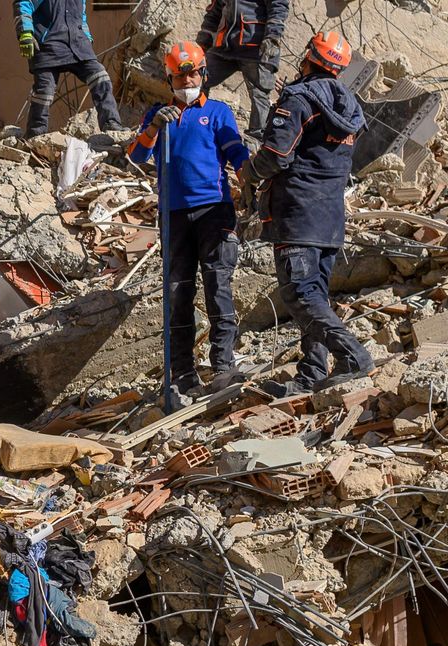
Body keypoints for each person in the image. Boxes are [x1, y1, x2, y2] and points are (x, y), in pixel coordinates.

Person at [241, 31, 374, 397]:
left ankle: (353, 356)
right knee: (314, 295)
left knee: (300, 296)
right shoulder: (351, 107)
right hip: (329, 219)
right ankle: (312, 373)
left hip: (297, 215)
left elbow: (276, 156)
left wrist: (248, 173)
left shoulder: (299, 100)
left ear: (308, 58)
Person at [129, 41, 252, 396]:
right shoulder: (158, 114)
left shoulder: (217, 112)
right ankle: (182, 371)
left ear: (204, 74)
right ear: (169, 80)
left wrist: (251, 182)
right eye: (179, 76)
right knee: (178, 292)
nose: (187, 80)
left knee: (218, 286)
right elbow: (137, 154)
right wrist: (153, 128)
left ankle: (223, 365)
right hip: (174, 216)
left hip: (213, 210)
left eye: (192, 73)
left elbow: (236, 153)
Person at [17, 0, 124, 136]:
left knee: (100, 78)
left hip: (77, 44)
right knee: (44, 90)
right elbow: (24, 4)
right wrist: (25, 32)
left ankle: (111, 124)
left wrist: (86, 37)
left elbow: (81, 16)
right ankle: (35, 135)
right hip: (47, 44)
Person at [194, 0, 289, 139]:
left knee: (259, 96)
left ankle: (255, 142)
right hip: (226, 47)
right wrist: (203, 41)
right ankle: (193, 121)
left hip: (256, 49)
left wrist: (272, 37)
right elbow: (214, 12)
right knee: (198, 77)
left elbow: (278, 7)